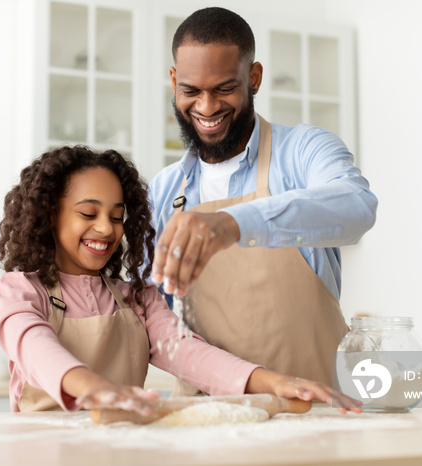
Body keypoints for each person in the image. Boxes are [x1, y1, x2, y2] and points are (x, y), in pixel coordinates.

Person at [0, 145, 362, 414]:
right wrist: (90, 387)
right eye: (88, 213)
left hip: (119, 452)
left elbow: (187, 352)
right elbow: (35, 348)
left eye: (117, 217)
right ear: (49, 215)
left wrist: (272, 382)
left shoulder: (137, 297)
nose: (105, 228)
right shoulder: (20, 291)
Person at [148, 7, 378, 388]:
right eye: (191, 91)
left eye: (224, 88)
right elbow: (145, 309)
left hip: (314, 410)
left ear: (253, 78)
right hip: (205, 421)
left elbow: (358, 206)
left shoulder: (304, 150)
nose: (206, 107)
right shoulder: (163, 191)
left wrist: (233, 224)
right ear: (174, 81)